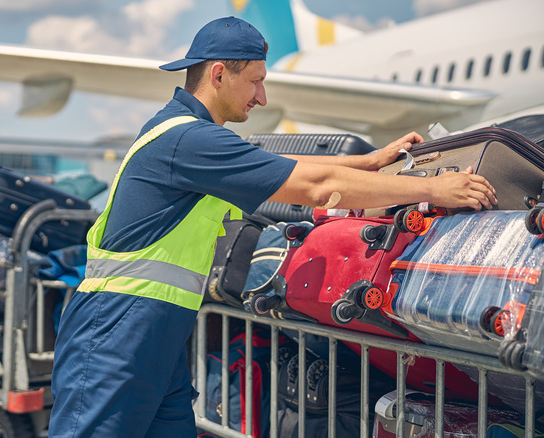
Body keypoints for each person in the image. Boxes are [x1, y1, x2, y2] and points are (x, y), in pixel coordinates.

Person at [48, 16, 496, 438]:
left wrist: (370, 161)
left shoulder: (189, 135)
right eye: (257, 80)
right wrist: (435, 190)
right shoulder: (190, 139)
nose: (261, 97)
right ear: (220, 74)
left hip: (152, 337)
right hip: (115, 334)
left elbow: (285, 166)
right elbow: (316, 186)